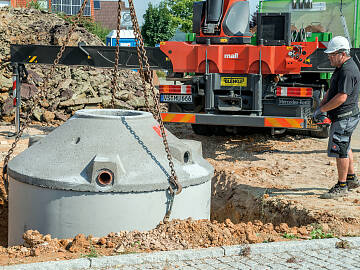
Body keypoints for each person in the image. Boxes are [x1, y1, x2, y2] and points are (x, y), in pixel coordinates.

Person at [313, 36, 360, 199]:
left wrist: (322, 110)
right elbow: (333, 89)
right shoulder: (341, 67)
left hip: (344, 117)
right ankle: (351, 178)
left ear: (342, 53)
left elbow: (341, 97)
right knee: (345, 145)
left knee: (339, 149)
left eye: (332, 54)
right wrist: (323, 103)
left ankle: (342, 186)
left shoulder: (348, 70)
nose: (329, 56)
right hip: (345, 116)